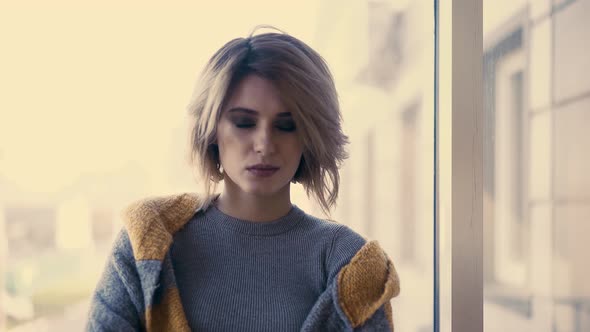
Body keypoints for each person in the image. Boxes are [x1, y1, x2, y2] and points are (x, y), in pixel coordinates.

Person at [86, 26, 400, 332]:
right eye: (244, 122)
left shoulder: (351, 264)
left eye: (287, 125)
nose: (264, 143)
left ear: (311, 136)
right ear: (211, 131)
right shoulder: (148, 242)